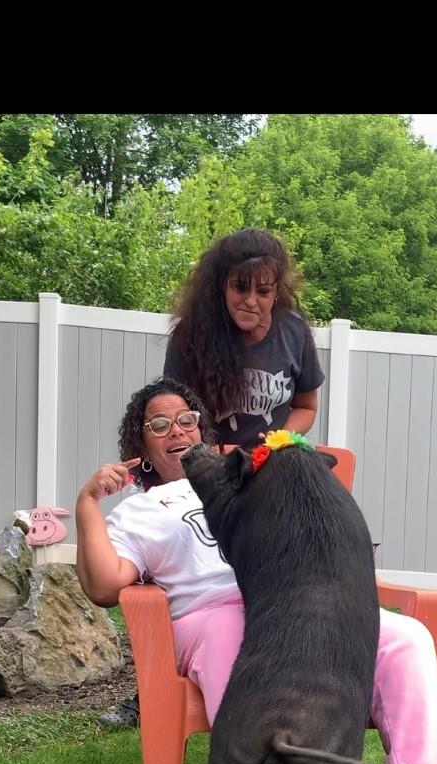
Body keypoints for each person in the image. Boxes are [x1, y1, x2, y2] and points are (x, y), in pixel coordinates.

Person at [78, 375, 437, 764]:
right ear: (141, 445)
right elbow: (106, 586)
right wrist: (88, 503)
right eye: (159, 424)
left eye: (186, 419)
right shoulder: (139, 510)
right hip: (213, 612)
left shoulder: (247, 474)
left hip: (296, 602)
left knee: (407, 637)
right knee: (232, 636)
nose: (176, 430)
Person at [100, 227, 323, 729]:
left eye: (264, 290)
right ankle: (152, 686)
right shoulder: (192, 338)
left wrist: (273, 444)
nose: (252, 300)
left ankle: (282, 667)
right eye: (240, 288)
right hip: (199, 470)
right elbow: (174, 409)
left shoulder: (292, 331)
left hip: (268, 468)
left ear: (277, 289)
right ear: (220, 286)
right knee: (177, 569)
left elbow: (306, 407)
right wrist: (204, 454)